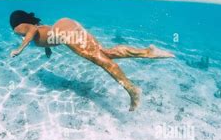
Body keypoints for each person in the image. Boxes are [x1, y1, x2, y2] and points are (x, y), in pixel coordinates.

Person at [9, 10, 174, 111]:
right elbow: (43, 33)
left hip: (63, 32)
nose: (19, 31)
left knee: (101, 59)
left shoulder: (18, 28)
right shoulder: (38, 25)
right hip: (65, 24)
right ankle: (147, 52)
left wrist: (19, 49)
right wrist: (47, 48)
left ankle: (132, 90)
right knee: (104, 52)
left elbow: (31, 32)